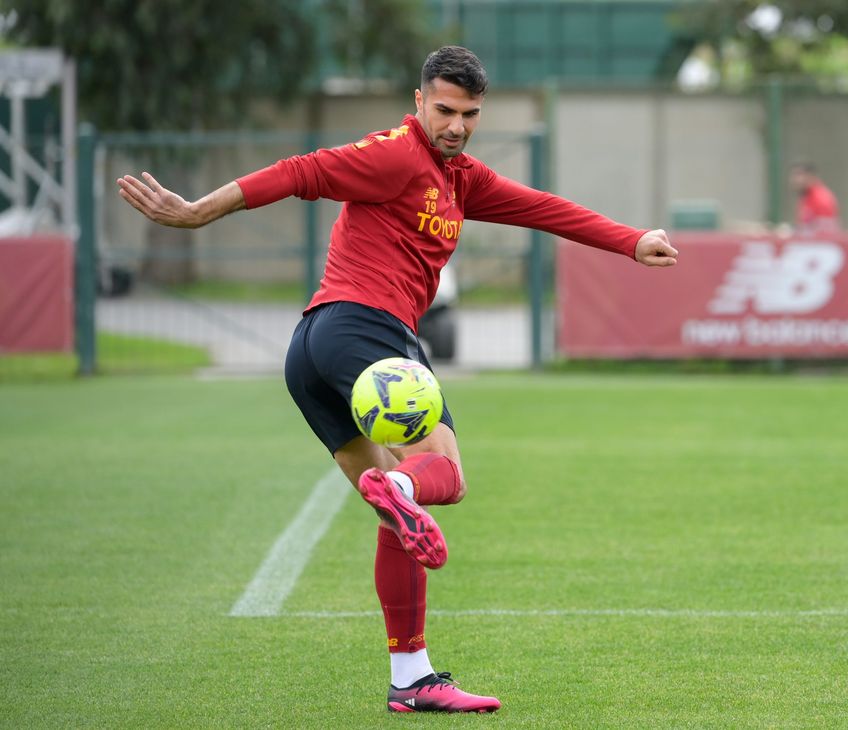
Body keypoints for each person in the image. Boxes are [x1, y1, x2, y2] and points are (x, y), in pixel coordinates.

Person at [117, 45, 678, 714]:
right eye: (444, 110)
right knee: (446, 476)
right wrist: (198, 210)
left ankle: (412, 676)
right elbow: (302, 171)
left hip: (316, 350)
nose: (456, 126)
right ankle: (403, 485)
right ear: (418, 103)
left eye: (469, 114)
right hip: (366, 332)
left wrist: (631, 239)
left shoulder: (462, 179)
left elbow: (542, 209)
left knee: (398, 516)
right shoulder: (394, 153)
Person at [789, 161, 840, 235]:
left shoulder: (821, 198)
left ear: (811, 176)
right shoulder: (805, 197)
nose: (794, 180)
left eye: (799, 175)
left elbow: (826, 231)